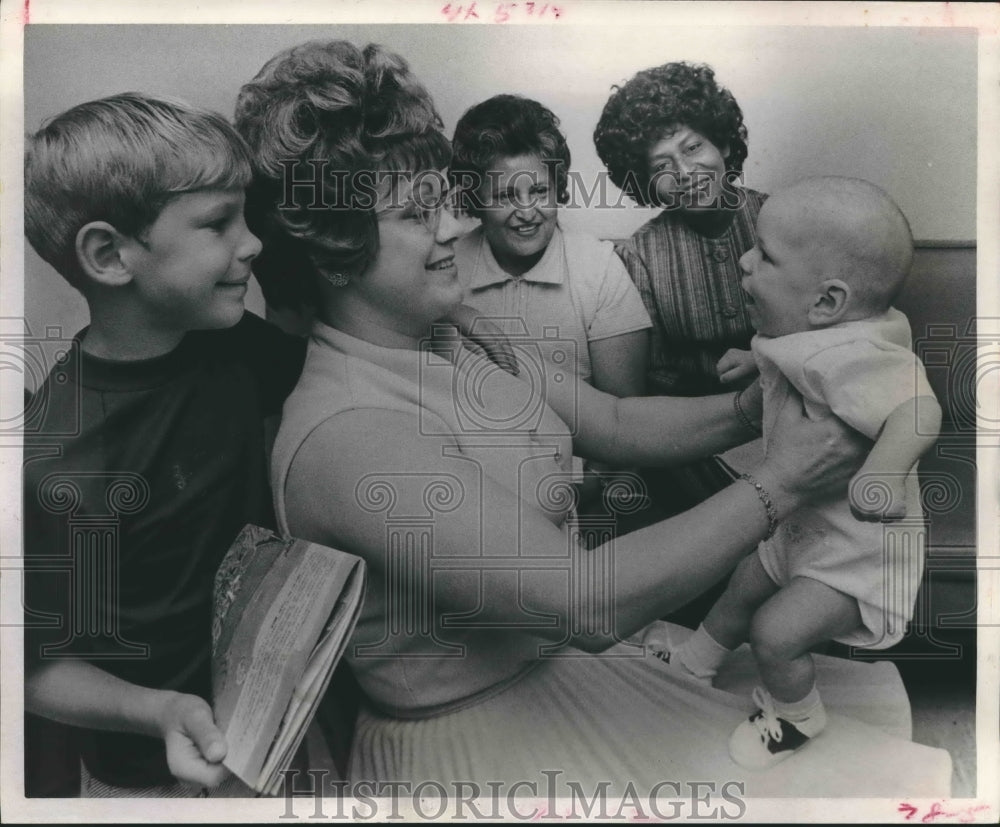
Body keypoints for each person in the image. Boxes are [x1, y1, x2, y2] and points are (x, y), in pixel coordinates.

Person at [236, 39, 951, 796]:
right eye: (418, 214)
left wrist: (757, 405)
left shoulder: (448, 334)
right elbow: (586, 601)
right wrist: (780, 480)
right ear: (336, 251)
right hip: (477, 743)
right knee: (857, 790)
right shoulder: (346, 435)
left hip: (558, 674)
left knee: (855, 757)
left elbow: (613, 421)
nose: (453, 226)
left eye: (443, 199)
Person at [20, 92, 306, 796]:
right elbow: (37, 669)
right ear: (109, 254)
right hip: (152, 777)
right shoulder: (61, 459)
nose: (253, 243)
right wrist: (159, 712)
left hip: (277, 735)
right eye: (217, 224)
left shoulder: (237, 344)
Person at [650, 178, 942, 770]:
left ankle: (795, 717)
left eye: (765, 255)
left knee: (775, 631)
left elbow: (919, 408)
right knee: (742, 584)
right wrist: (755, 367)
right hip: (806, 525)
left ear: (828, 303)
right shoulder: (811, 335)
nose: (744, 260)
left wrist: (883, 472)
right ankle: (697, 661)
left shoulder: (857, 357)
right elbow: (792, 372)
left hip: (856, 555)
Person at [450, 94, 652, 507]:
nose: (527, 212)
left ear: (558, 188)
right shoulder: (446, 265)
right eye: (505, 197)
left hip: (578, 488)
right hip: (472, 483)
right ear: (476, 200)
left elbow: (625, 429)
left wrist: (584, 492)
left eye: (539, 190)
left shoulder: (598, 267)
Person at [593, 61, 765, 533]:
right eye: (663, 166)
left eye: (693, 148)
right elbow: (653, 383)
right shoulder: (642, 254)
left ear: (724, 143)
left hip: (789, 413)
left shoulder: (780, 219)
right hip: (696, 442)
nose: (686, 172)